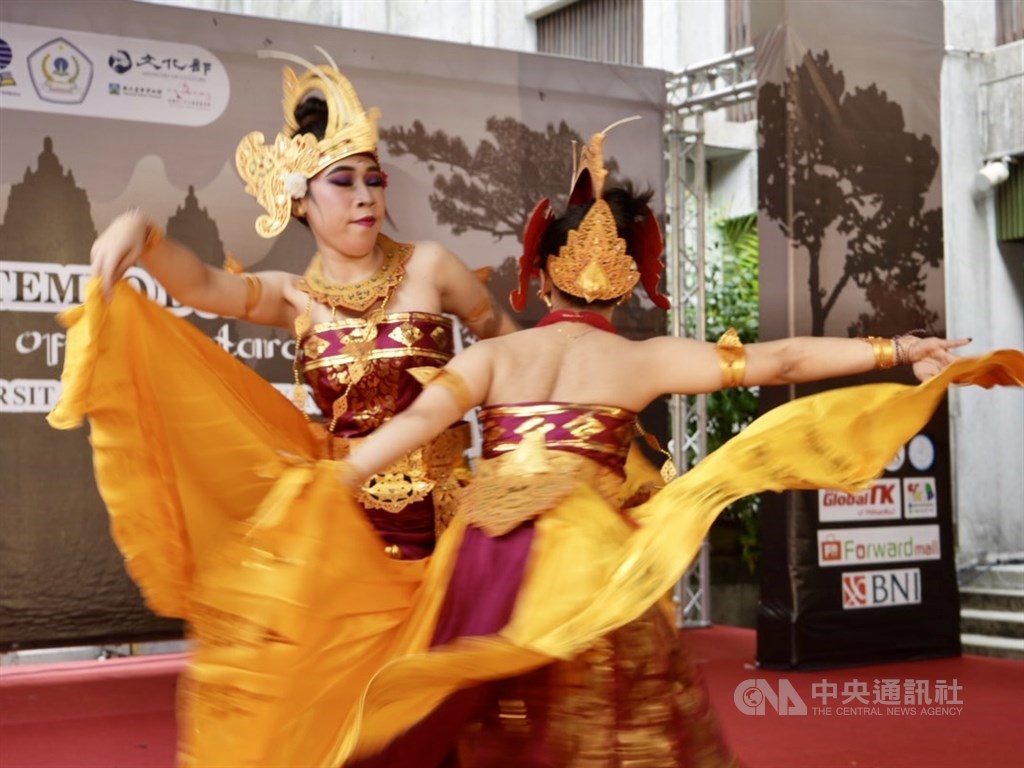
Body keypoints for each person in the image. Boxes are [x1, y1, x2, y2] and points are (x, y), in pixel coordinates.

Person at [314, 124, 1023, 767]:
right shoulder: (643, 362)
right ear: (629, 283)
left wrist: (339, 477)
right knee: (599, 724)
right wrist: (895, 348)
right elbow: (781, 362)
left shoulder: (498, 357)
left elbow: (413, 424)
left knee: (482, 710)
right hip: (586, 559)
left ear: (545, 267)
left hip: (483, 553)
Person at [51, 51, 515, 767]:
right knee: (358, 717)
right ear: (300, 199)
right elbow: (204, 284)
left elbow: (509, 354)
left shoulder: (430, 267)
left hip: (450, 525)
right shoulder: (292, 298)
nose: (365, 197)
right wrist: (142, 235)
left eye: (373, 179)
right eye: (342, 181)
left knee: (455, 711)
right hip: (352, 533)